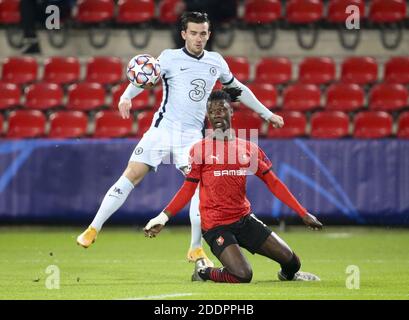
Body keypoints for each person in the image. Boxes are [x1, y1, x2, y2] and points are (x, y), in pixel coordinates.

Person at [76, 12, 284, 267]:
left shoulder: (216, 62)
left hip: (192, 138)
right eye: (194, 33)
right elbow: (145, 76)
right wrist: (126, 95)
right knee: (132, 174)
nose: (199, 38)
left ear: (209, 34)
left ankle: (195, 248)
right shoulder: (169, 58)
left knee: (201, 187)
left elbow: (238, 90)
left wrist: (266, 113)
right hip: (162, 130)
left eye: (203, 33)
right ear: (184, 34)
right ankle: (93, 229)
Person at [143, 88, 323, 283]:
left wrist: (303, 213)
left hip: (243, 220)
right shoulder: (200, 149)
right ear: (208, 116)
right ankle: (203, 272)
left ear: (231, 112)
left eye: (221, 109)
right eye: (212, 111)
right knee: (242, 275)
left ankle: (287, 275)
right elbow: (188, 189)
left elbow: (274, 183)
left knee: (293, 263)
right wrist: (162, 217)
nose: (216, 114)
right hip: (216, 225)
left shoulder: (248, 148)